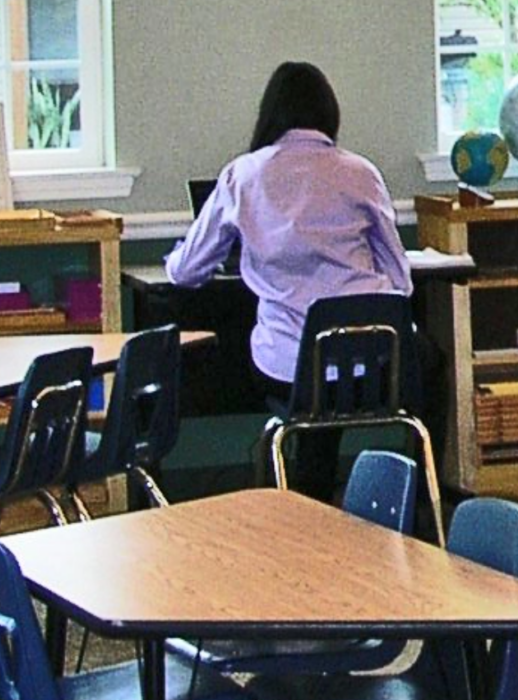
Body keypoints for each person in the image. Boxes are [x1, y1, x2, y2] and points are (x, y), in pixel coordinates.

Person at [165, 60, 411, 498]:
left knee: (291, 375)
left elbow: (186, 272)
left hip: (287, 369)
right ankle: (419, 499)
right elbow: (400, 280)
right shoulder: (361, 173)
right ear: (329, 113)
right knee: (427, 363)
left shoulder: (243, 175)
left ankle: (298, 500)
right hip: (368, 365)